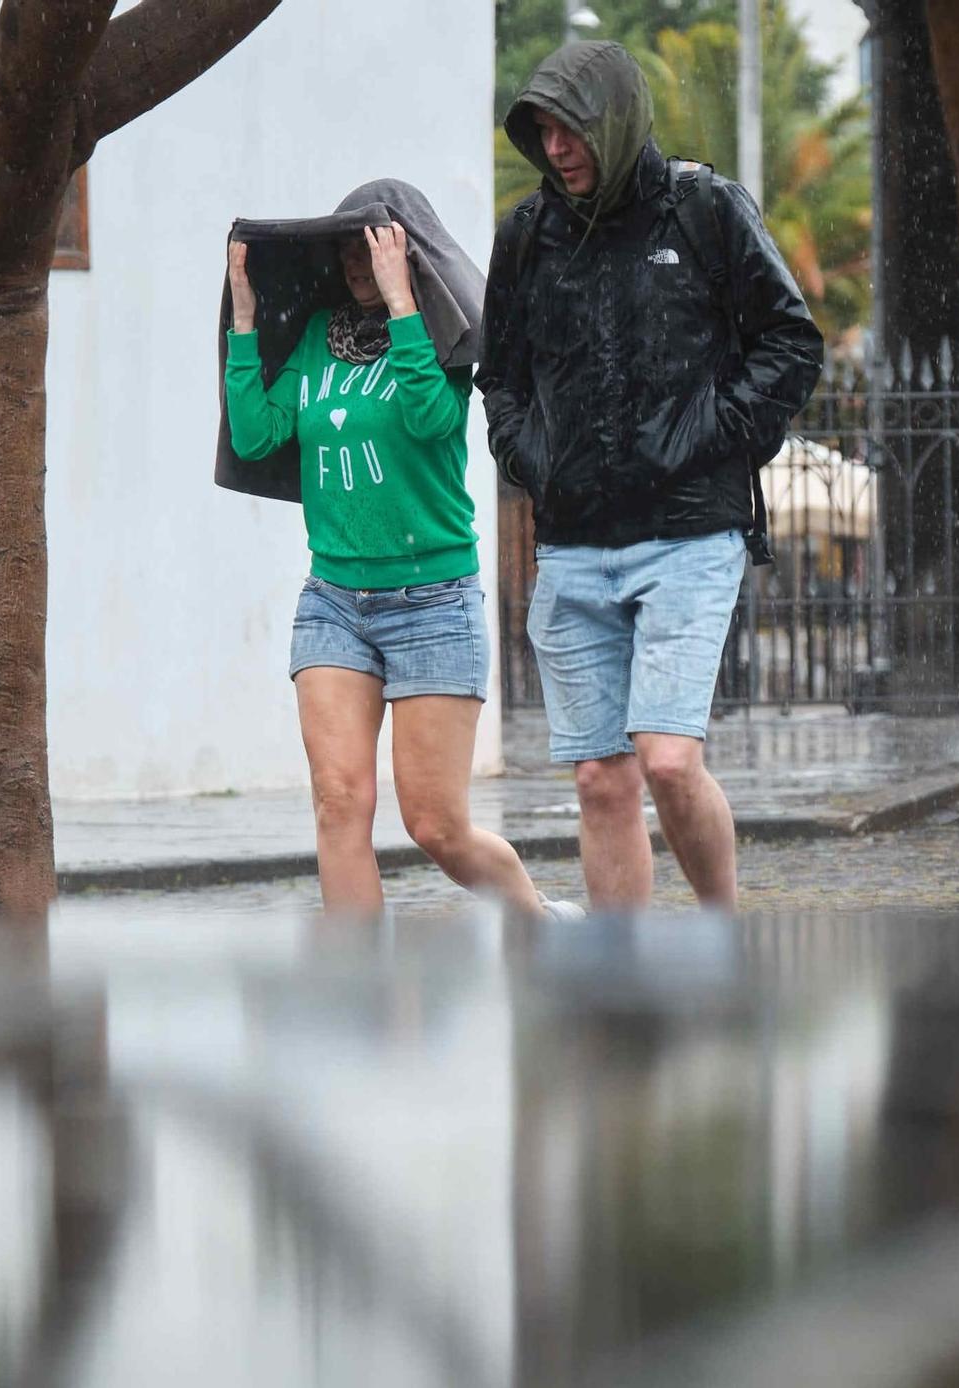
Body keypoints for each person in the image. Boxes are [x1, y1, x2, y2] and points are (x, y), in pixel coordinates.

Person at [479, 42, 824, 912]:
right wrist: (532, 458)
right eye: (544, 130)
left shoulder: (703, 211)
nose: (557, 148)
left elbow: (791, 342)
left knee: (668, 760)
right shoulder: (526, 238)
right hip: (573, 544)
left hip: (690, 536)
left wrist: (713, 434)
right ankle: (622, 982)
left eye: (574, 128)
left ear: (620, 119)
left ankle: (721, 933)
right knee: (601, 778)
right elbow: (501, 376)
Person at [223, 186, 578, 922]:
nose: (357, 260)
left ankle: (538, 921)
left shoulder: (442, 339)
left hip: (434, 606)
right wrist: (246, 326)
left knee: (435, 827)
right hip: (334, 603)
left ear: (408, 253)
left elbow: (429, 420)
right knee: (338, 801)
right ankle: (358, 992)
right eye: (347, 247)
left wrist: (403, 306)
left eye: (374, 246)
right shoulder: (320, 334)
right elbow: (257, 436)